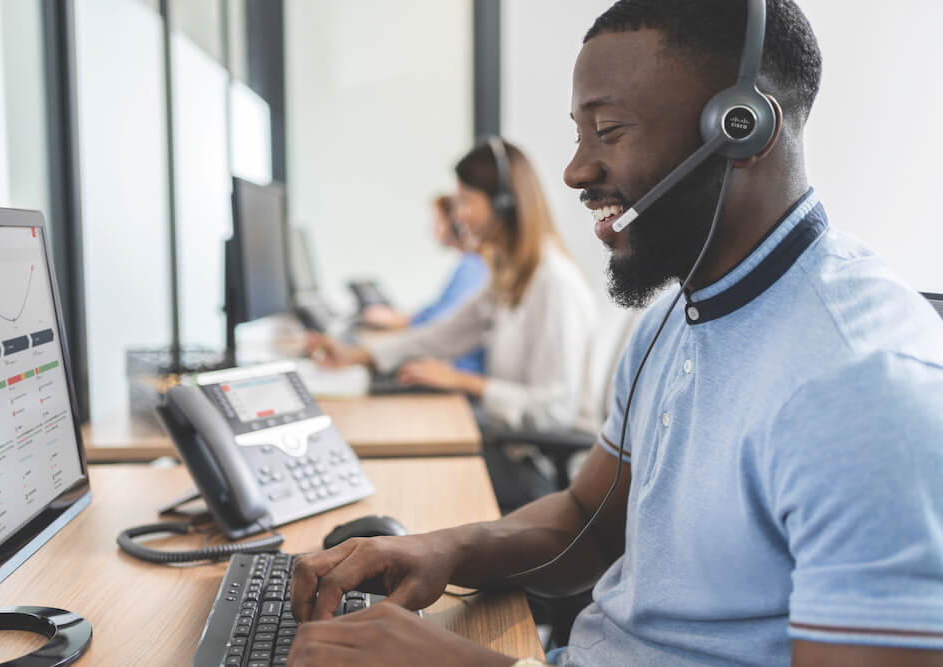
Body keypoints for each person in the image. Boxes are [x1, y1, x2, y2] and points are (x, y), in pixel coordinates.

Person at [288, 1, 943, 665]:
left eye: (608, 130)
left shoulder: (865, 386)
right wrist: (444, 548)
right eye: (579, 133)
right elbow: (586, 521)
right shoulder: (670, 319)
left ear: (741, 128)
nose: (574, 169)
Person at [309, 139, 597, 436]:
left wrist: (462, 382)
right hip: (510, 441)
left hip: (539, 461)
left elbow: (555, 412)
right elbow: (441, 337)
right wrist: (357, 355)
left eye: (465, 201)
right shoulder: (507, 277)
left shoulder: (554, 283)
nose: (457, 215)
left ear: (504, 204)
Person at [360, 194, 489, 374]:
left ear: (455, 225)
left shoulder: (472, 265)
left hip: (459, 371)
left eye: (438, 221)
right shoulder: (468, 264)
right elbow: (436, 311)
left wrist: (395, 323)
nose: (433, 229)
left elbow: (442, 323)